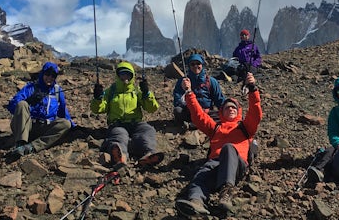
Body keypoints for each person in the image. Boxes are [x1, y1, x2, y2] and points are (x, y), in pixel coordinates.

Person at [175, 72, 262, 217]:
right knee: (200, 176)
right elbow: (198, 116)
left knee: (228, 148)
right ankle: (196, 202)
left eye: (234, 107)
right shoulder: (216, 128)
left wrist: (252, 88)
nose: (231, 109)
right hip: (214, 163)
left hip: (236, 164)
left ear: (238, 111)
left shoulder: (245, 127)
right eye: (227, 107)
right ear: (222, 112)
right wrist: (189, 92)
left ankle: (226, 193)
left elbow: (255, 113)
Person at [91, 61, 164, 168]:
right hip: (118, 124)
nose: (125, 77)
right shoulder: (110, 92)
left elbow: (152, 108)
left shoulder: (137, 91)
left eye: (128, 74)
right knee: (119, 135)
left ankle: (148, 155)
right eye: (122, 74)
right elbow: (98, 109)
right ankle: (121, 157)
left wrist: (147, 93)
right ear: (117, 75)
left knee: (148, 130)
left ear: (132, 76)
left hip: (136, 123)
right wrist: (97, 98)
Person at [6, 62, 75, 160]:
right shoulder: (31, 87)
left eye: (53, 75)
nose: (49, 78)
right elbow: (13, 106)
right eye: (47, 74)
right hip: (27, 126)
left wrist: (73, 125)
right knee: (22, 104)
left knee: (66, 124)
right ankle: (21, 143)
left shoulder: (57, 90)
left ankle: (32, 147)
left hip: (45, 127)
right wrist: (29, 101)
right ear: (42, 74)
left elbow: (63, 111)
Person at [173, 54, 225, 129]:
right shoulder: (183, 82)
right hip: (190, 112)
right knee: (178, 111)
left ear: (202, 65)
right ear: (189, 66)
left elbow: (219, 99)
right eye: (192, 64)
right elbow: (177, 99)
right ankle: (201, 124)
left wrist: (226, 108)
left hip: (206, 112)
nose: (195, 66)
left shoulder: (211, 81)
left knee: (222, 115)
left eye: (198, 63)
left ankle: (192, 125)